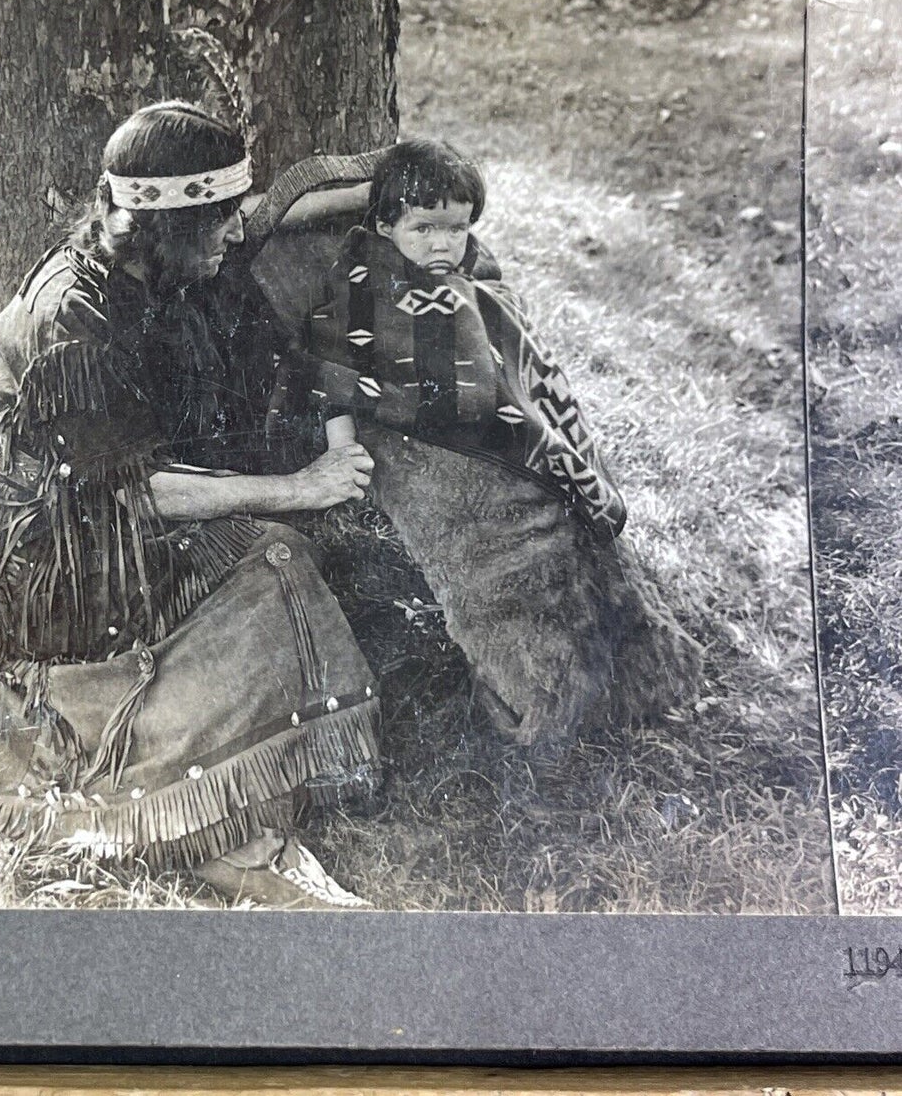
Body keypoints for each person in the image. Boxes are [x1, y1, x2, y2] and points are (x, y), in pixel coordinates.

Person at [0, 100, 382, 908]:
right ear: (165, 224)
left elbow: (272, 314)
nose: (237, 234)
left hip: (112, 521)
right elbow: (137, 490)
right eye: (221, 221)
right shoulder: (72, 324)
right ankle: (181, 800)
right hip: (62, 562)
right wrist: (300, 488)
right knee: (276, 568)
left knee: (299, 556)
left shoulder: (164, 267)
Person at [272, 139, 700, 746]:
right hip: (430, 448)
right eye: (424, 228)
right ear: (384, 224)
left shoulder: (475, 280)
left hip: (515, 440)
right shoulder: (359, 287)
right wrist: (343, 450)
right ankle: (537, 697)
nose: (442, 245)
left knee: (569, 542)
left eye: (457, 228)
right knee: (501, 569)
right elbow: (332, 372)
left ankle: (630, 678)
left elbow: (518, 364)